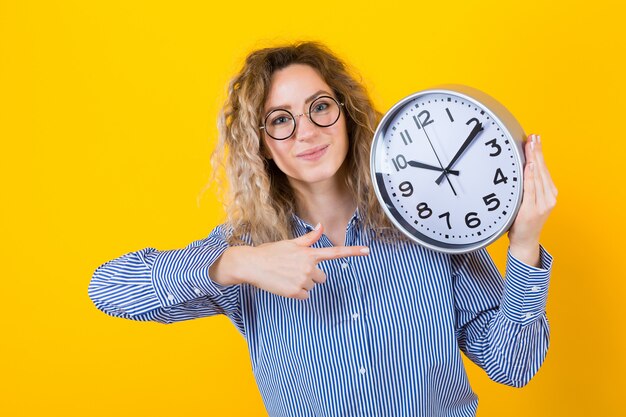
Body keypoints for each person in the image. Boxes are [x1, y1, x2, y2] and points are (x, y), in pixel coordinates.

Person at [88, 41, 558, 416]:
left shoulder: (427, 219)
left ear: (346, 115)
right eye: (280, 121)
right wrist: (237, 264)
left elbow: (511, 364)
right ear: (262, 147)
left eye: (319, 108)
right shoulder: (251, 248)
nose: (306, 132)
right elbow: (106, 289)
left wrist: (524, 243)